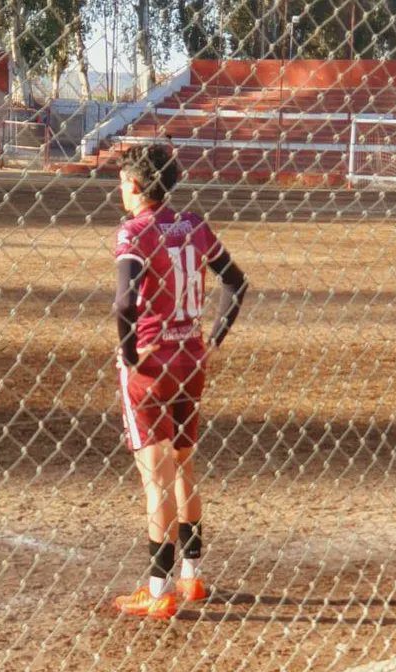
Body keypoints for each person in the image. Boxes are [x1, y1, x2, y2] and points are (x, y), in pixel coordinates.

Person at [112, 144, 248, 619]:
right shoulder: (192, 225)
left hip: (152, 367)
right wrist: (214, 339)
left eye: (123, 182)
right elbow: (235, 281)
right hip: (191, 359)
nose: (121, 190)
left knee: (156, 481)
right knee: (185, 467)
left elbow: (124, 302)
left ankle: (158, 590)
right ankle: (191, 576)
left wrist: (130, 354)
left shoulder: (134, 232)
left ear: (136, 185)